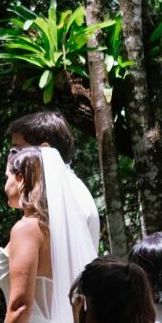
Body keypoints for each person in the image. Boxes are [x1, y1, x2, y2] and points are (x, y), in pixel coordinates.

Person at [7, 110, 102, 304]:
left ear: (44, 149)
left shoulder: (60, 197)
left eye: (17, 150)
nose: (11, 160)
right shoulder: (68, 188)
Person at [0, 146, 57, 323]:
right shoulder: (53, 226)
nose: (5, 185)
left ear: (20, 179)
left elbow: (21, 305)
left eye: (7, 177)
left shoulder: (27, 228)